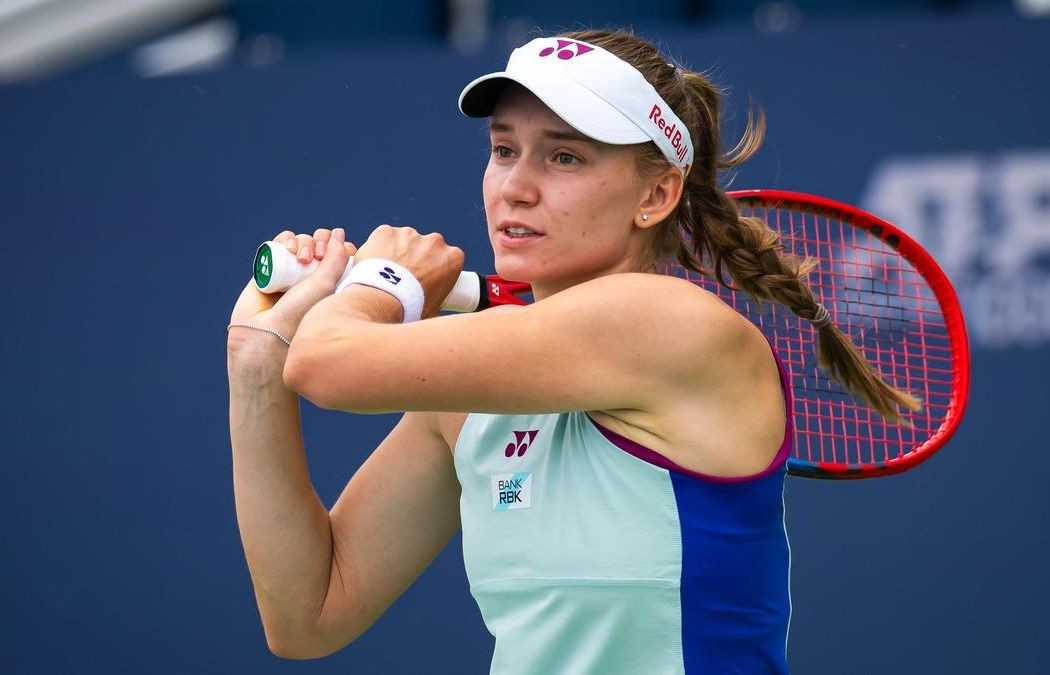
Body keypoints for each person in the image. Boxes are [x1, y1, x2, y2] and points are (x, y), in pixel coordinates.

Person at [226, 29, 917, 674]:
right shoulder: (468, 396)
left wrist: (387, 280)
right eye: (504, 150)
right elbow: (310, 614)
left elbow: (325, 365)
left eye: (565, 157)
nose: (515, 187)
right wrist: (256, 362)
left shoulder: (667, 323)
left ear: (656, 194)